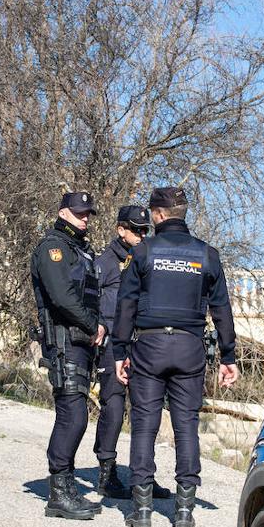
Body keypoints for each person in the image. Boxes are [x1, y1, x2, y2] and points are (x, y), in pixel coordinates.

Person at [112, 186, 239, 527]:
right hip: (189, 347)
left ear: (157, 215)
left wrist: (119, 350)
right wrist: (229, 354)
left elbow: (126, 304)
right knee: (186, 425)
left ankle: (141, 511)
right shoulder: (206, 255)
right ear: (182, 213)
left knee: (144, 424)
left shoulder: (144, 252)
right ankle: (184, 510)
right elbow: (222, 309)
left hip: (150, 346)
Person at [31, 191, 108, 520]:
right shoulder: (53, 248)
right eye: (79, 213)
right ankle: (59, 492)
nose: (85, 218)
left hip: (80, 343)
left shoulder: (80, 250)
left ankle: (64, 486)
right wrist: (93, 325)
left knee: (76, 414)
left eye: (88, 213)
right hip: (64, 342)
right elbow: (61, 297)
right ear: (63, 213)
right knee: (72, 416)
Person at [92, 204, 169, 500]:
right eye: (135, 230)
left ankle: (145, 477)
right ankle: (107, 472)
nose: (140, 235)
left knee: (147, 411)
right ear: (120, 230)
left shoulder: (149, 258)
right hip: (113, 343)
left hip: (143, 342)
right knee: (112, 407)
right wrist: (97, 326)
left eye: (144, 230)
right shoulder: (105, 262)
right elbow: (90, 299)